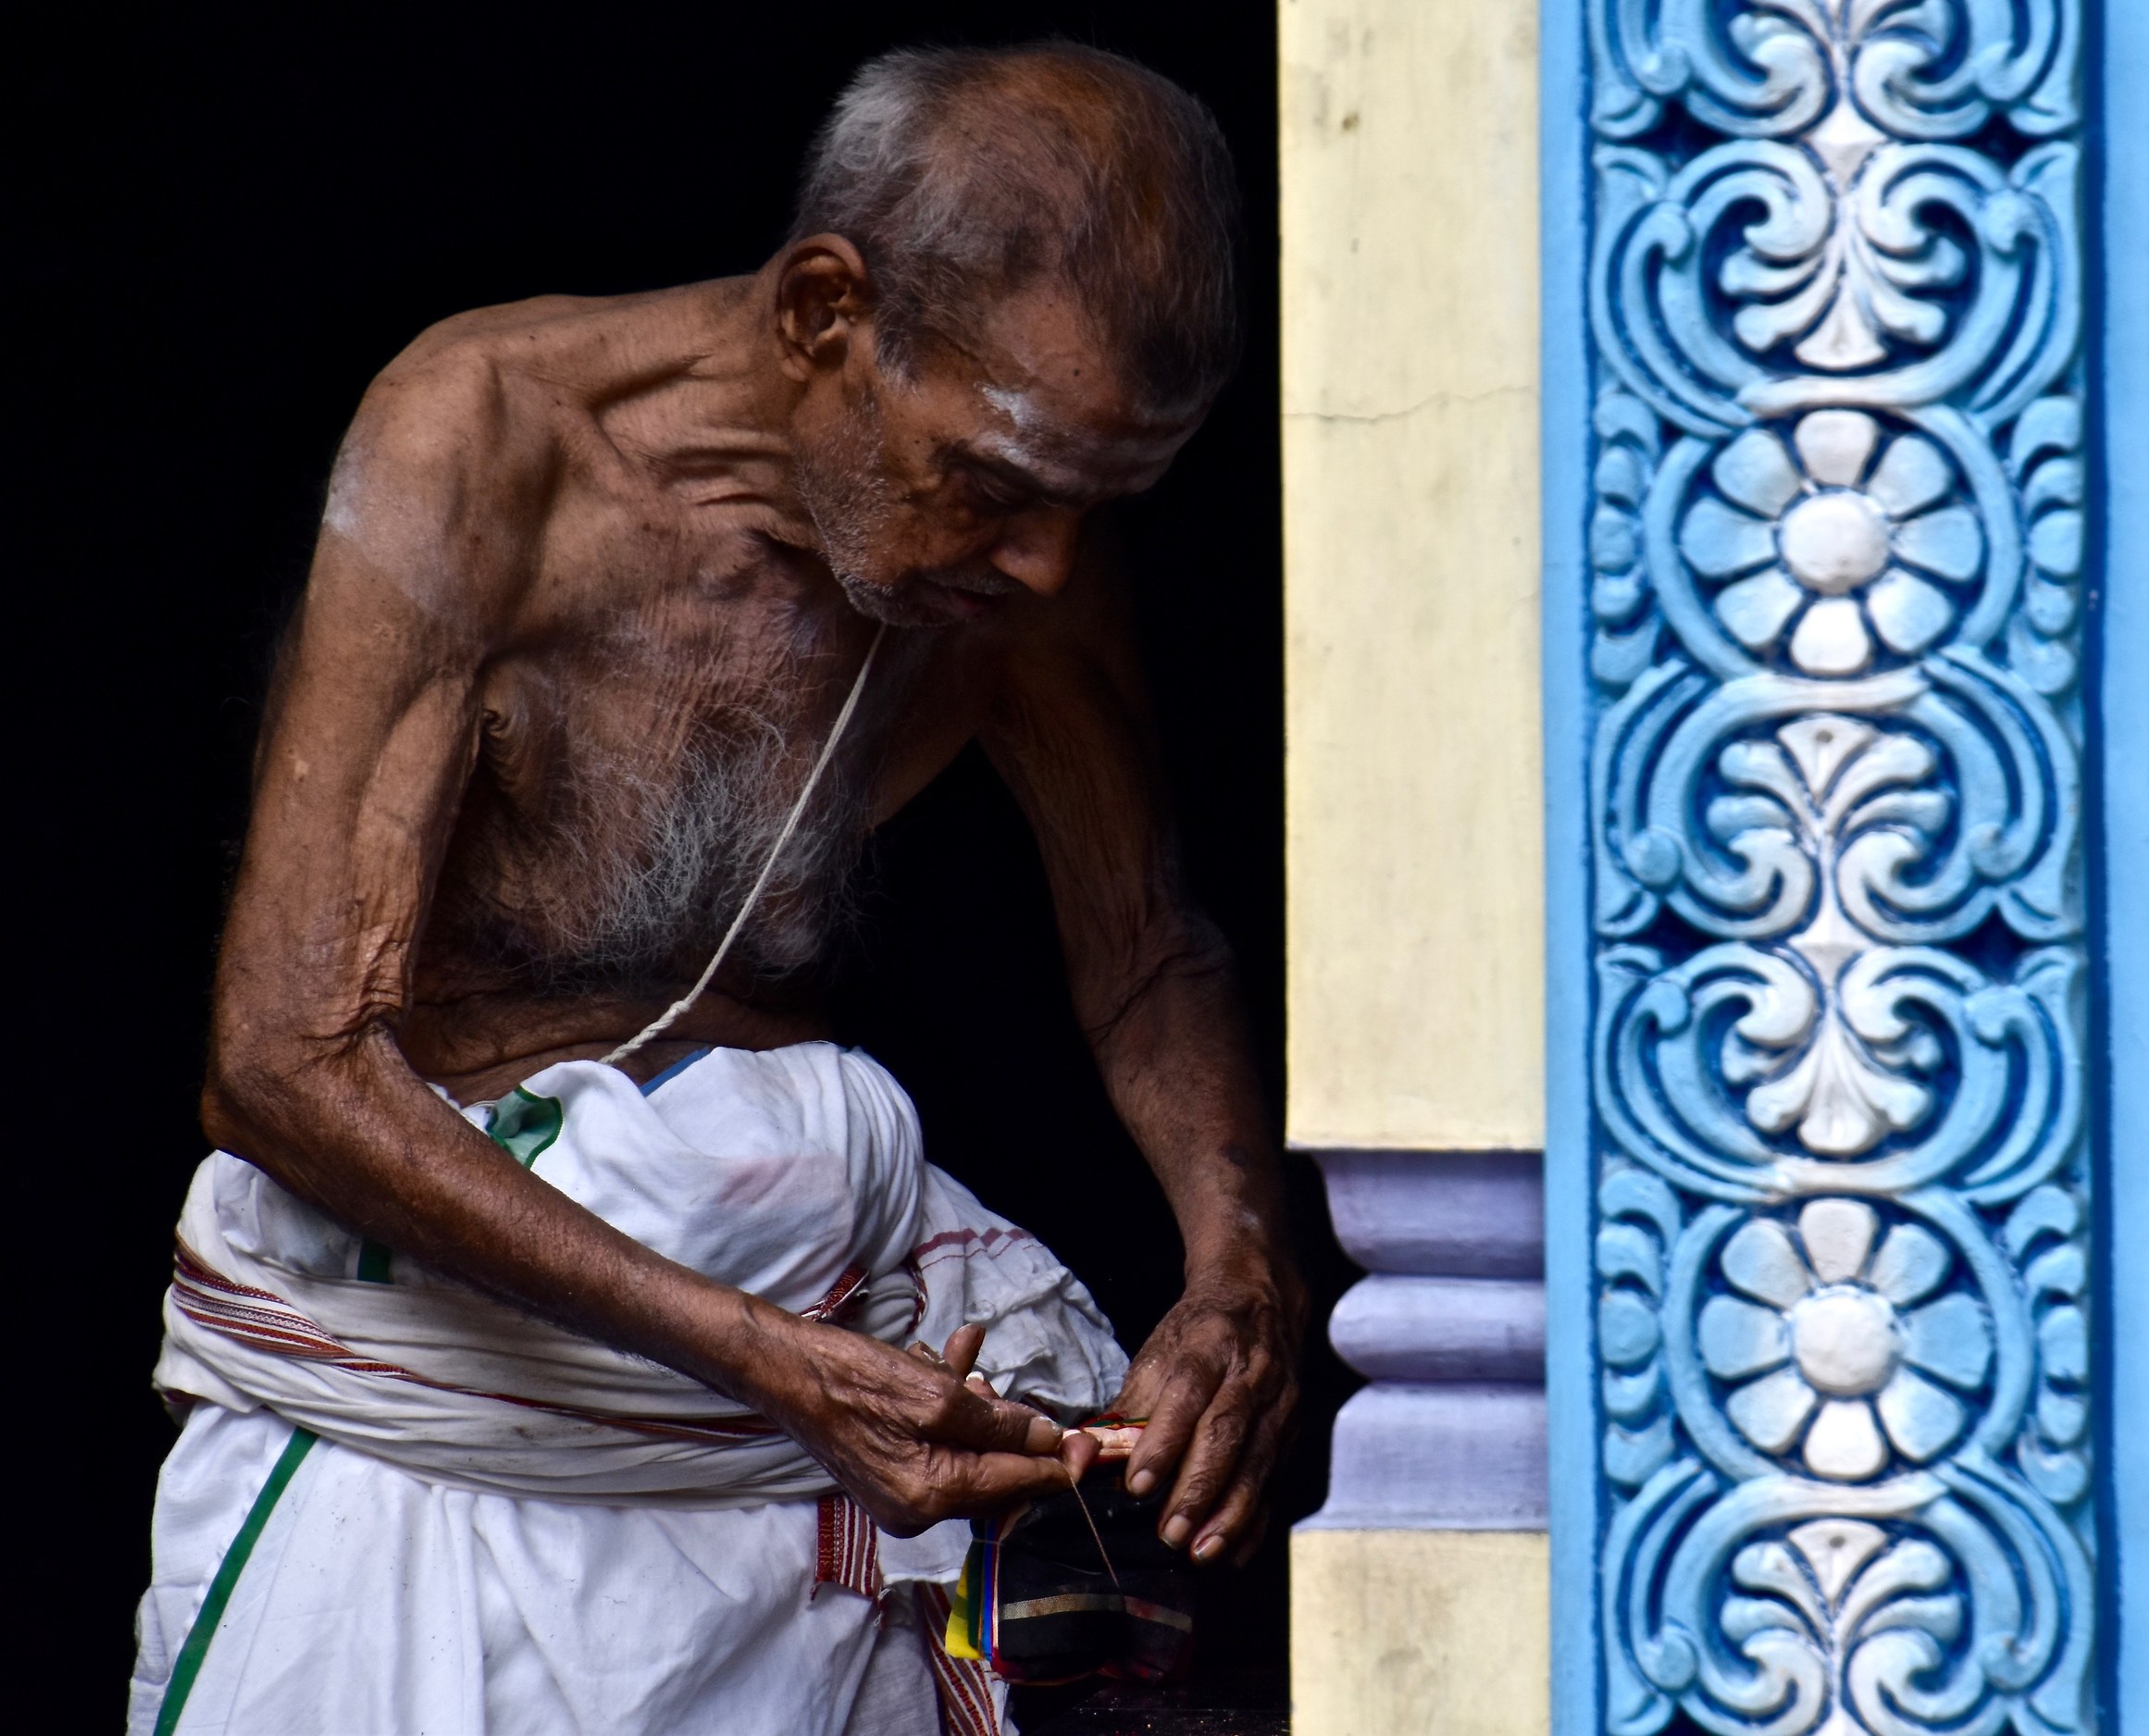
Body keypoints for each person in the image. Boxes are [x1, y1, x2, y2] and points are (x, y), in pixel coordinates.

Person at [129, 41, 1300, 1736]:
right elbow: (283, 1064)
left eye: (1093, 510)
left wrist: (1236, 1272)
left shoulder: (1023, 549)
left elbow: (1144, 950)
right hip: (476, 1408)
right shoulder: (488, 447)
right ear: (825, 311)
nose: (1050, 566)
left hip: (798, 1431)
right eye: (997, 484)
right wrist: (777, 1369)